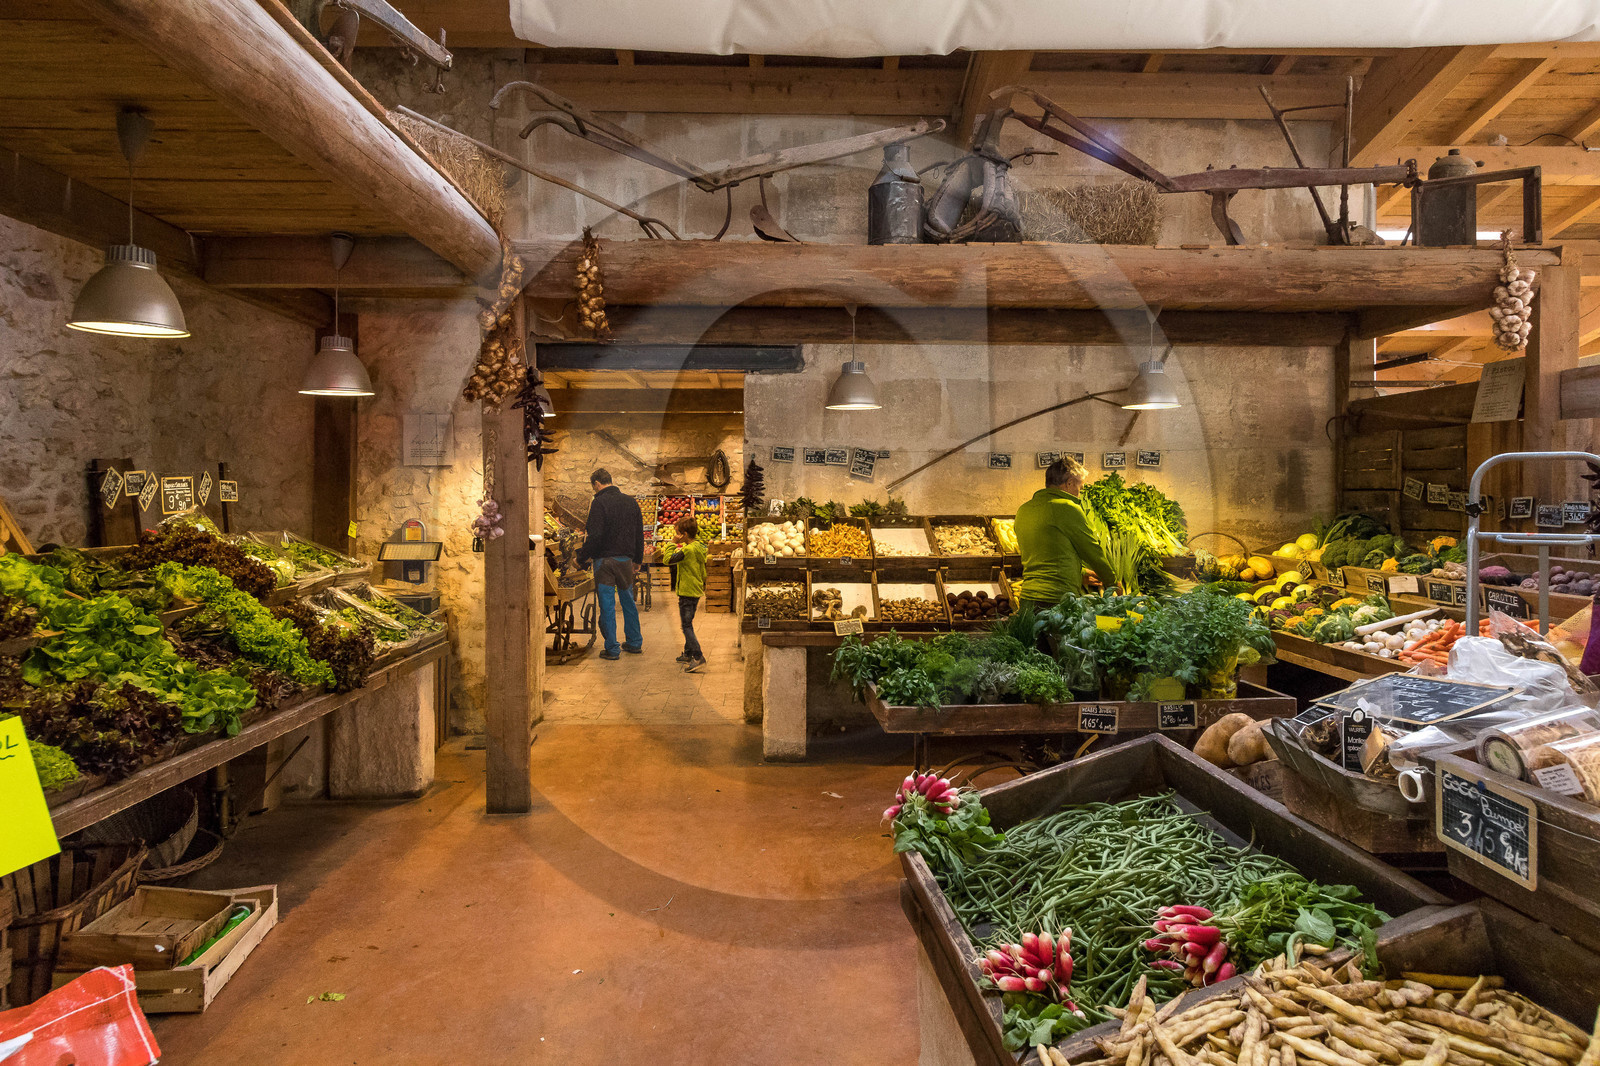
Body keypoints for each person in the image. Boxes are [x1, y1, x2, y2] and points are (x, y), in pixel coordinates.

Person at [1013, 456, 1117, 614]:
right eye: (1080, 488)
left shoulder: (1024, 510)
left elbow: (1045, 553)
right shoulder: (1067, 508)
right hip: (1056, 600)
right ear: (1070, 483)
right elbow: (1092, 551)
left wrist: (1081, 573)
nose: (1079, 493)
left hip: (1027, 599)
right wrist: (1112, 582)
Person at [576, 468, 644, 660]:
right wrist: (637, 559)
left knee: (607, 605)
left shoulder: (599, 502)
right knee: (628, 601)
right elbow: (639, 533)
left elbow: (595, 536)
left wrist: (581, 558)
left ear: (597, 484)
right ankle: (634, 642)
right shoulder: (631, 502)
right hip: (625, 561)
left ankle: (612, 649)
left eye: (594, 487)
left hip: (605, 562)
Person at [667, 516, 708, 673]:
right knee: (688, 622)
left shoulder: (687, 550)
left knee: (686, 625)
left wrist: (672, 543)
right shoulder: (699, 546)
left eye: (678, 533)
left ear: (684, 534)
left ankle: (698, 656)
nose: (676, 535)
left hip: (687, 591)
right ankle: (688, 653)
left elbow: (667, 560)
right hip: (695, 588)